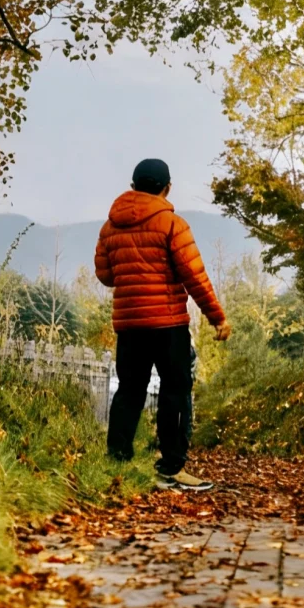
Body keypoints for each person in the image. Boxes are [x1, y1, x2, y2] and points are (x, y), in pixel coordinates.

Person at [95, 157, 231, 490]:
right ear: (167, 188)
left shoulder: (109, 227)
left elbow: (105, 274)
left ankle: (118, 463)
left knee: (129, 391)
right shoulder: (172, 224)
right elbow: (194, 277)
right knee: (175, 392)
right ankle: (171, 467)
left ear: (133, 187)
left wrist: (132, 277)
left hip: (128, 325)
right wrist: (217, 317)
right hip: (167, 325)